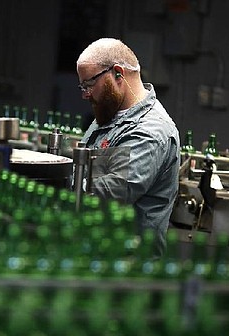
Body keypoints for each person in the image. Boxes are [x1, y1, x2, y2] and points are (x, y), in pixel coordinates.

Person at [75, 37, 180, 257]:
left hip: (129, 267)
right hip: (97, 254)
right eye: (82, 86)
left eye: (90, 84)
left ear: (118, 73)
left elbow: (112, 193)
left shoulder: (151, 130)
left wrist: (52, 182)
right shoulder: (107, 115)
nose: (85, 94)